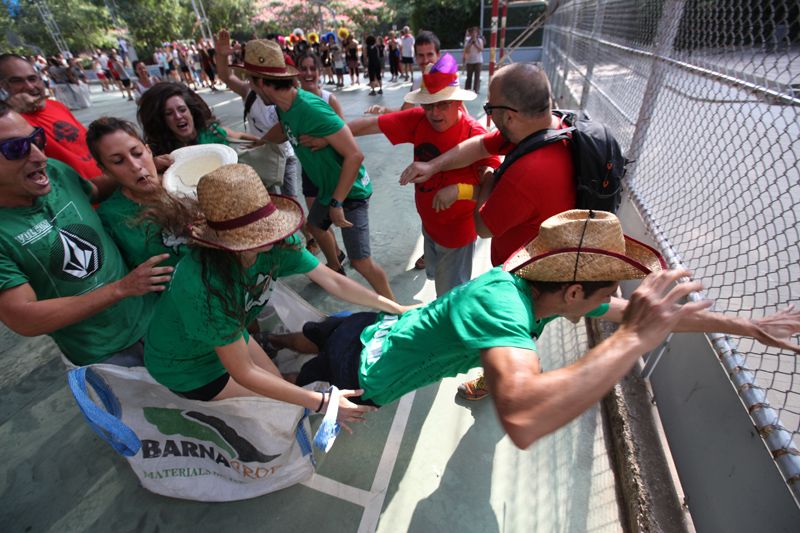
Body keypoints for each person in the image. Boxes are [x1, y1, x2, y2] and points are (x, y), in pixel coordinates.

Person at [269, 209, 800, 448]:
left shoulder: (532, 283)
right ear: (574, 292)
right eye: (605, 294)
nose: (612, 304)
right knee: (299, 382)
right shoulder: (506, 313)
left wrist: (748, 326)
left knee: (312, 332)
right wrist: (635, 339)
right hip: (362, 373)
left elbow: (645, 315)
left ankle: (270, 343)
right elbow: (523, 417)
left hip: (372, 329)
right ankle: (267, 375)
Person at [142, 164, 411, 428]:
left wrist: (393, 307)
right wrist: (322, 402)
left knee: (279, 385)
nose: (271, 234)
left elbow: (332, 280)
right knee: (279, 406)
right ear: (224, 241)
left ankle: (280, 363)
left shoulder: (277, 242)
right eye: (255, 233)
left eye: (269, 225)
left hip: (229, 334)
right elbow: (244, 372)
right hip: (186, 366)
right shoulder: (203, 285)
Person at [400, 63, 578, 399]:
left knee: (513, 324)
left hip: (531, 273)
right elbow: (481, 145)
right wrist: (434, 165)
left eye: (489, 108)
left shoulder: (528, 171)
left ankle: (508, 379)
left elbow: (482, 226)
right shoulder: (547, 128)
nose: (487, 115)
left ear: (509, 115)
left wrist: (485, 183)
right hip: (545, 254)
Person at [0, 104, 172, 367]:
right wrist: (121, 289)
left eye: (36, 139)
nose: (39, 156)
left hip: (153, 316)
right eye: (16, 148)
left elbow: (92, 190)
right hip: (108, 352)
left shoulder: (54, 171)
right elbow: (23, 317)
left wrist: (145, 167)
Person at [233, 39, 395, 300]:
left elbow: (355, 155)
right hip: (328, 188)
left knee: (362, 262)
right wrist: (251, 141)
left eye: (251, 81)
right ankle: (336, 267)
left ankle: (395, 309)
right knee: (315, 227)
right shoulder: (283, 107)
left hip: (350, 191)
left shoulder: (310, 108)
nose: (250, 87)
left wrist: (337, 203)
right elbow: (281, 131)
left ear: (262, 82)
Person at [347, 53, 500, 296]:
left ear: (458, 101)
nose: (435, 113)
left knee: (449, 298)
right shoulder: (420, 120)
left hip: (457, 235)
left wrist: (460, 191)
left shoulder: (475, 135)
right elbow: (371, 124)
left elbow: (494, 191)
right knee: (436, 277)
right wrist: (329, 134)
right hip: (429, 224)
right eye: (428, 104)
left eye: (443, 104)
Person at [365, 30, 443, 271]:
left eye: (430, 54)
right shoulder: (418, 82)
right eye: (420, 55)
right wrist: (384, 112)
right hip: (426, 151)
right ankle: (430, 250)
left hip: (448, 152)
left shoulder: (449, 80)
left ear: (438, 55)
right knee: (426, 204)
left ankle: (441, 252)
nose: (425, 60)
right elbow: (404, 113)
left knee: (446, 207)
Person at [87, 117, 187, 270]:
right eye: (118, 161)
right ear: (105, 170)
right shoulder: (110, 218)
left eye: (137, 153)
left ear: (148, 150)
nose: (135, 166)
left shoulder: (186, 180)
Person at [214, 30, 299, 199]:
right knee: (266, 201)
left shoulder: (286, 94)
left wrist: (261, 141)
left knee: (291, 201)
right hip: (260, 156)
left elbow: (285, 127)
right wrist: (222, 55)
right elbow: (226, 76)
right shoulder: (249, 92)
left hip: (284, 155)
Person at [0, 54, 105, 182]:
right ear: (2, 87)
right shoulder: (7, 125)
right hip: (76, 192)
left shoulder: (56, 105)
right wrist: (10, 109)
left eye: (33, 79)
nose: (30, 86)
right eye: (17, 81)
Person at [137, 81, 258, 156]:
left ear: (192, 111)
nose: (178, 116)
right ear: (161, 121)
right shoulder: (163, 155)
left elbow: (240, 136)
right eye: (168, 113)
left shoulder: (212, 132)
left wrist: (263, 142)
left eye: (182, 110)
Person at [463, 26, 484, 93]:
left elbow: (481, 49)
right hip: (470, 61)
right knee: (469, 76)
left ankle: (476, 90)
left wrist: (475, 44)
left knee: (477, 76)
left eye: (475, 32)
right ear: (470, 33)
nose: (474, 34)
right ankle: (467, 89)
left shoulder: (480, 40)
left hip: (478, 61)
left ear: (477, 33)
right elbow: (466, 50)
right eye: (472, 32)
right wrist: (471, 43)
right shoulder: (467, 40)